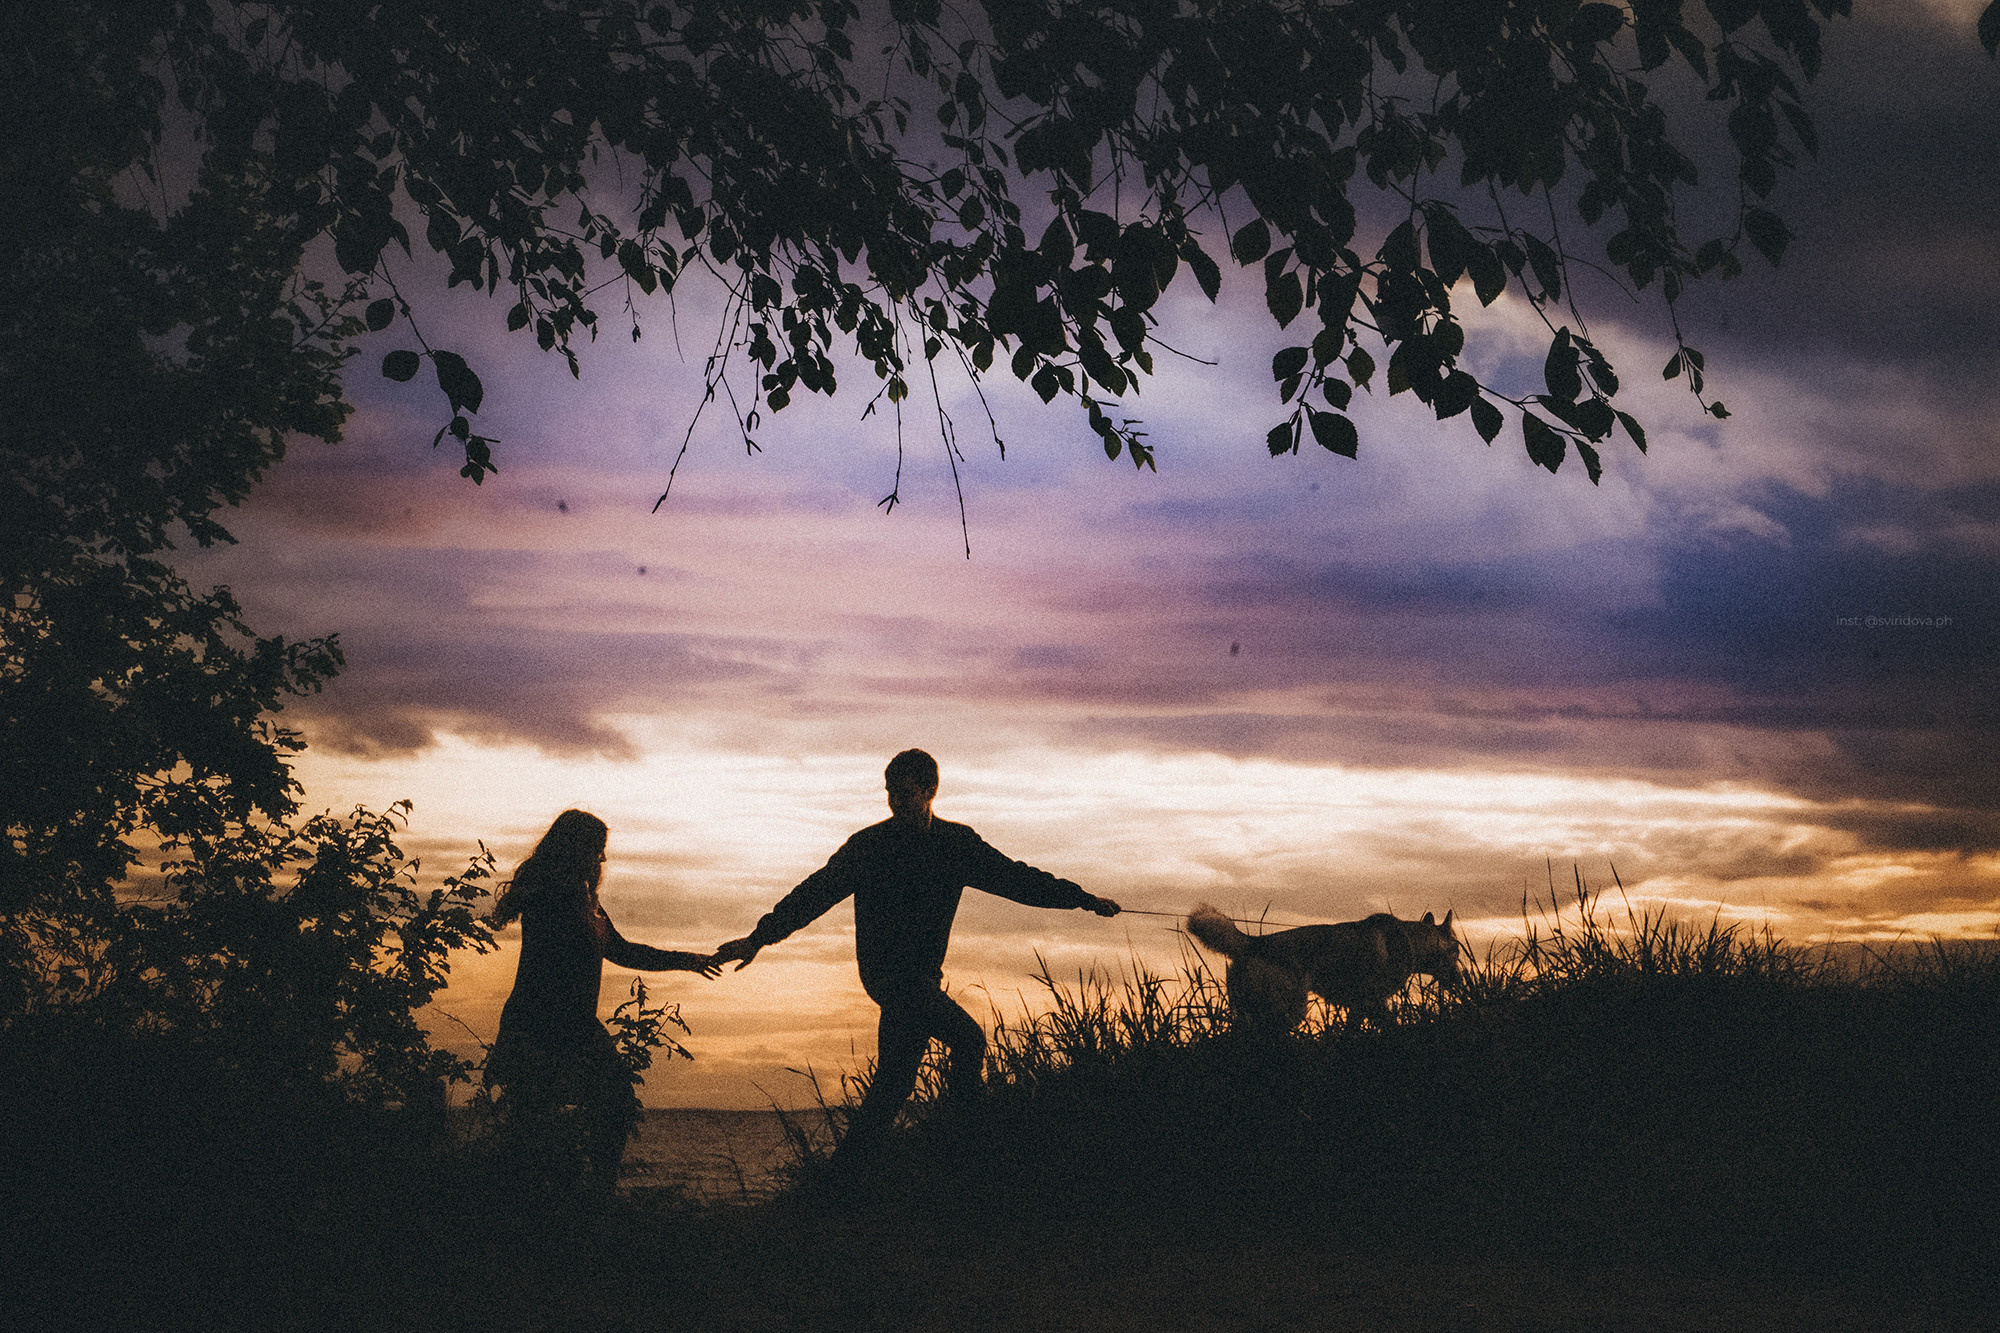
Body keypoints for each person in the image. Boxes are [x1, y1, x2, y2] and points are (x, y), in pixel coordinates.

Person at [712, 749, 1119, 1161]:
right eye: (890, 794)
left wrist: (1082, 899)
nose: (895, 803)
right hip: (887, 975)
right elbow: (814, 893)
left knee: (893, 1084)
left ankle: (840, 1182)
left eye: (904, 794)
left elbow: (1017, 879)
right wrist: (759, 938)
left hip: (923, 979)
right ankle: (966, 1145)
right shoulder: (868, 846)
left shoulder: (956, 844)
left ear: (930, 791)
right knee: (968, 1039)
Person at [484, 809, 719, 1189]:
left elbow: (624, 951)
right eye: (597, 849)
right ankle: (559, 1200)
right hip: (541, 1021)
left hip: (574, 1023)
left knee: (611, 1105)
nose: (603, 859)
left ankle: (592, 1194)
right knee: (541, 1113)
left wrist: (686, 961)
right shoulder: (552, 899)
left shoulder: (586, 903)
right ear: (576, 850)